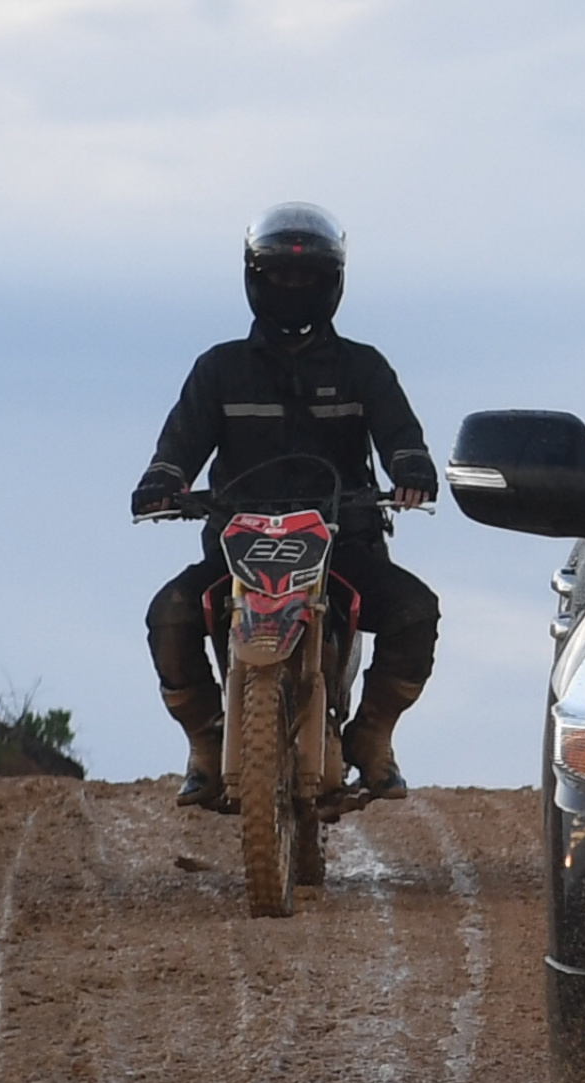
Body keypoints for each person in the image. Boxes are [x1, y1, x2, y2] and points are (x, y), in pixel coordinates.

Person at [132, 203, 441, 809]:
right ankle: (205, 744)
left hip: (343, 546)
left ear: (333, 284)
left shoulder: (365, 368)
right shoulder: (218, 370)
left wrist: (412, 472)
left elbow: (404, 440)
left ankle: (372, 739)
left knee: (415, 612)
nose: (292, 288)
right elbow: (176, 449)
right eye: (280, 276)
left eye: (306, 278)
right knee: (168, 617)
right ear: (255, 278)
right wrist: (161, 482)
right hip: (239, 554)